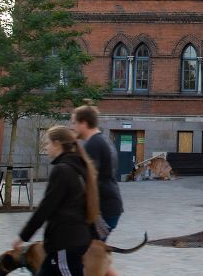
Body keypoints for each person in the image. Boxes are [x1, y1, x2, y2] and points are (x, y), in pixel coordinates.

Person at [16, 126, 99, 276]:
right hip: (71, 241)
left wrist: (23, 236)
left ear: (57, 143)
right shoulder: (80, 167)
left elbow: (45, 208)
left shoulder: (63, 170)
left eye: (47, 143)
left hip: (65, 243)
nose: (46, 147)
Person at [73, 105, 123, 276]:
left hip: (103, 211)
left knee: (87, 256)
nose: (73, 127)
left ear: (84, 123)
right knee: (96, 255)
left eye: (74, 123)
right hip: (111, 207)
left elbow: (90, 180)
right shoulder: (104, 140)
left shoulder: (94, 144)